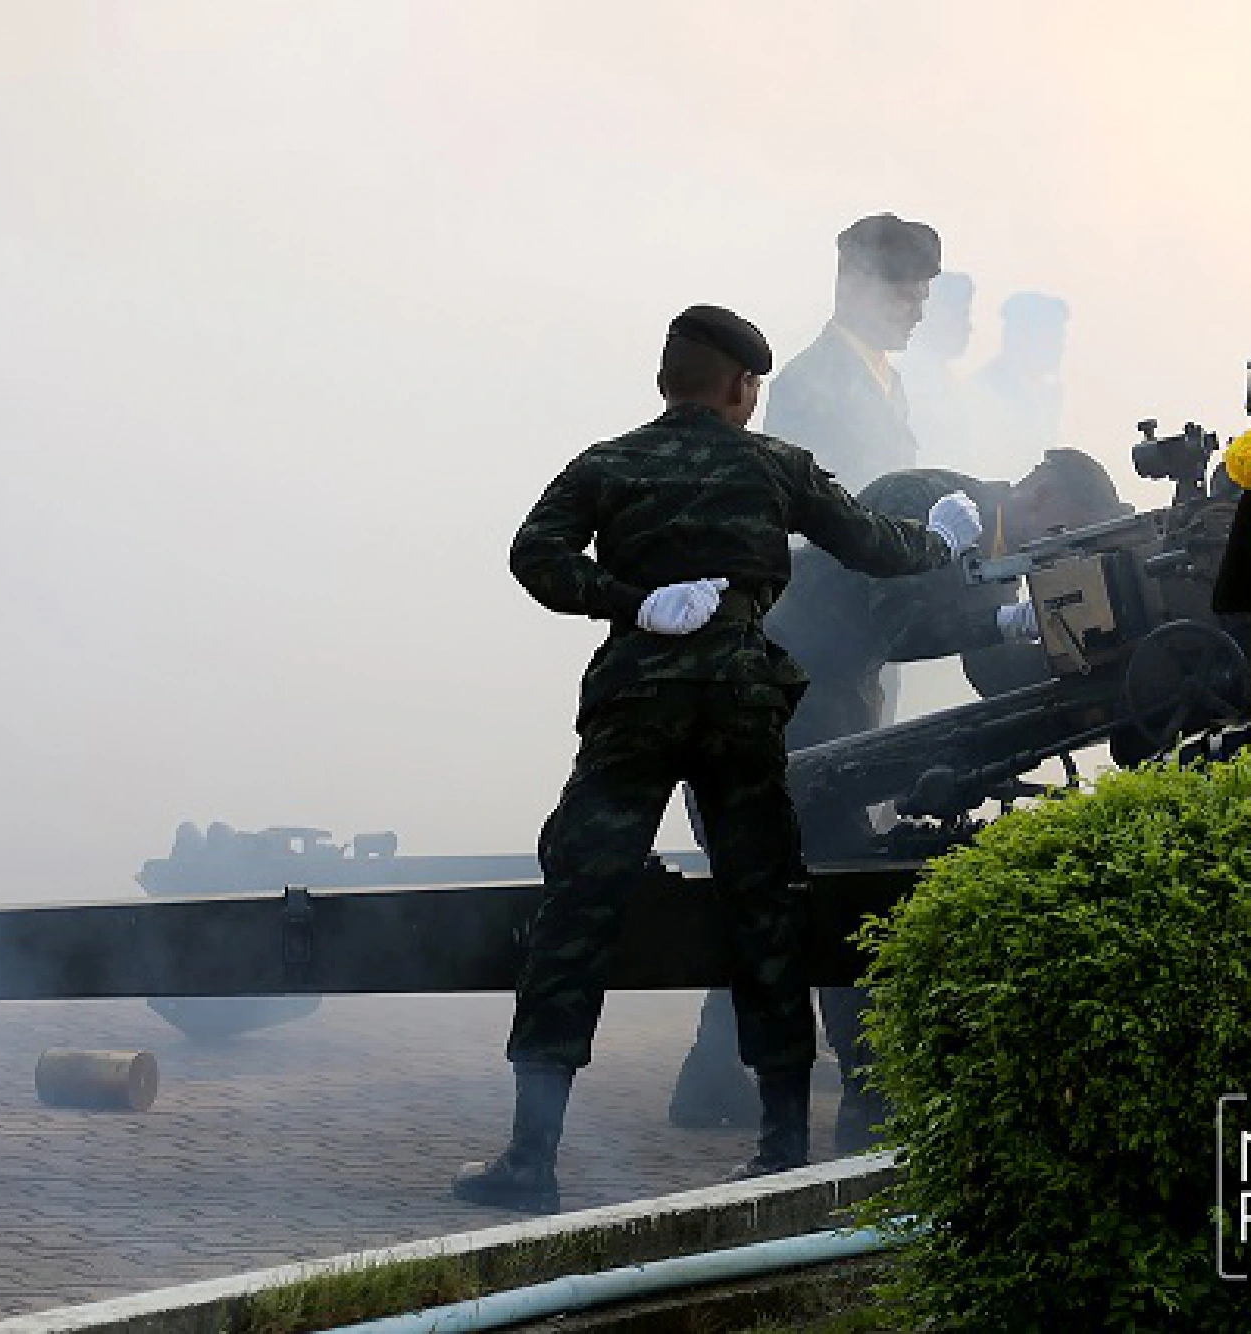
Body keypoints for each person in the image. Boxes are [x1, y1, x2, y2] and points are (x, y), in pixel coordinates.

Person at [450, 305, 982, 1213]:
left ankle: (530, 1161)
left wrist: (632, 600)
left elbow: (532, 556)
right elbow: (871, 548)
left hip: (635, 700)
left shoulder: (607, 464)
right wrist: (946, 541)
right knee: (765, 910)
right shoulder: (775, 466)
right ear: (742, 388)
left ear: (667, 379)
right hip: (740, 700)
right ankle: (781, 1151)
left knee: (578, 907)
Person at [669, 450, 1132, 1148]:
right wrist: (1007, 625)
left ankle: (710, 1086)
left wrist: (1095, 674)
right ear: (1041, 495)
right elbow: (901, 611)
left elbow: (992, 669)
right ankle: (869, 1107)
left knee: (787, 892)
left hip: (798, 708)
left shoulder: (995, 551)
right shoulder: (930, 500)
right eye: (1062, 533)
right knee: (843, 897)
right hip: (773, 705)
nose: (1052, 555)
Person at [765, 213, 940, 492]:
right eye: (906, 299)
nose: (918, 315)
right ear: (857, 289)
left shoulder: (888, 380)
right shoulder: (804, 386)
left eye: (922, 300)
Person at [964, 291, 1069, 482]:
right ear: (1020, 337)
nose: (1061, 347)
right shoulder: (984, 390)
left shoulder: (1045, 393)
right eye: (1053, 337)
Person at [901, 270, 975, 465]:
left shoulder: (945, 379)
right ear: (930, 316)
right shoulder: (911, 381)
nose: (968, 327)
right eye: (960, 316)